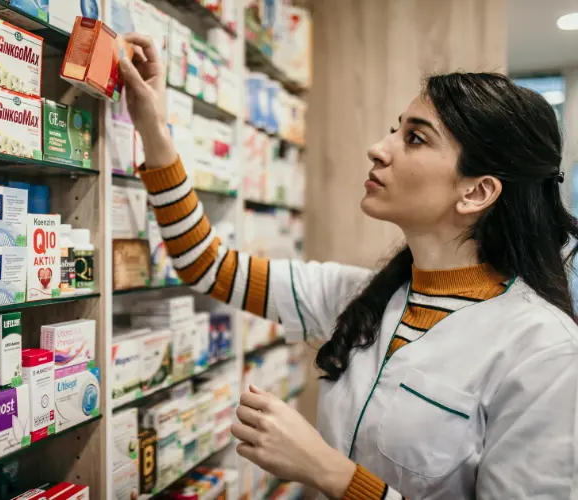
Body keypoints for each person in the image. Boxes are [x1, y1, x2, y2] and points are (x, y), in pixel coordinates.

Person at [118, 34, 578, 499]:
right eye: (396, 128)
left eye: (414, 138)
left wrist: (330, 473)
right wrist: (153, 125)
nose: (379, 147)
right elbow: (208, 266)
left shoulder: (544, 351)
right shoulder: (360, 297)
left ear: (476, 192)